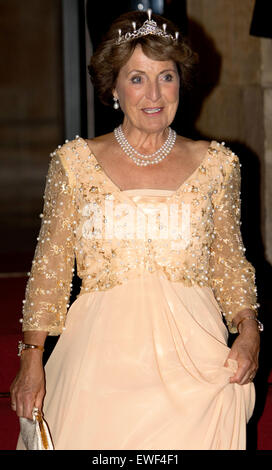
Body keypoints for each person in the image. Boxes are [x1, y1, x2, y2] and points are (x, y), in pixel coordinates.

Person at [11, 10, 262, 450]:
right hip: (98, 369)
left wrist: (248, 329)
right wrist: (31, 359)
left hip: (196, 372)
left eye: (166, 76)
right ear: (113, 87)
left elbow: (231, 265)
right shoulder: (74, 163)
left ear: (180, 83)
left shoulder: (219, 166)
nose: (154, 94)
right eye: (137, 78)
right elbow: (48, 272)